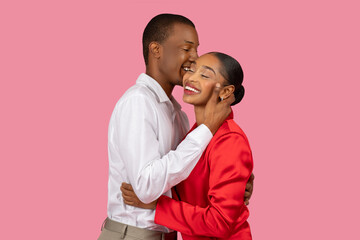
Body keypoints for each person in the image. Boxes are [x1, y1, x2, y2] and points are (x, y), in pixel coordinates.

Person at [98, 14, 253, 240]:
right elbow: (147, 187)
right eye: (186, 49)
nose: (193, 59)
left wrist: (235, 185)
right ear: (156, 50)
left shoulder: (179, 116)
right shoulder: (138, 102)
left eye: (196, 51)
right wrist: (206, 130)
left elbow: (183, 182)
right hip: (135, 235)